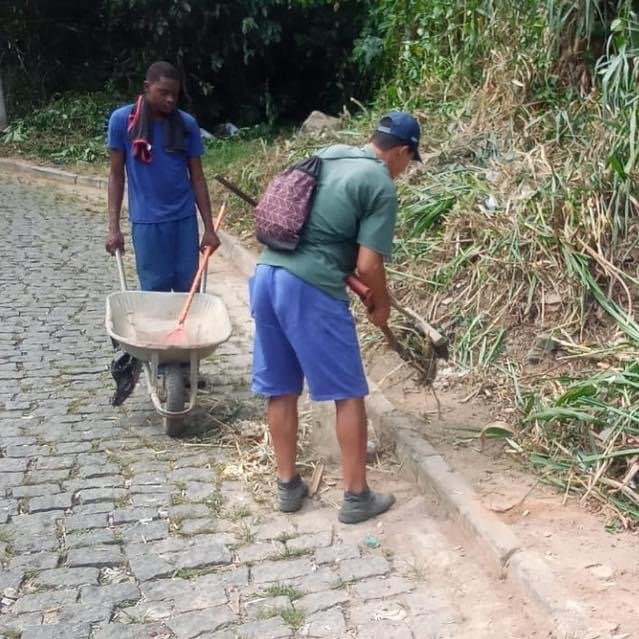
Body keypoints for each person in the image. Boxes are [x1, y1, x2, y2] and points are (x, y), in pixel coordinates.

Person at [250, 111, 421, 524]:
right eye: (408, 162)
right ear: (400, 151)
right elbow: (367, 265)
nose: (404, 171)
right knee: (348, 393)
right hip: (308, 289)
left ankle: (288, 485)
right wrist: (382, 306)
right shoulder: (379, 182)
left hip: (266, 276)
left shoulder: (329, 153)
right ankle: (356, 495)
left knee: (281, 387)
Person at [104, 61, 220, 406]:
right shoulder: (122, 122)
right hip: (147, 224)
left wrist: (209, 228)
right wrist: (113, 227)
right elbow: (116, 176)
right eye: (163, 93)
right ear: (146, 87)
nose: (170, 100)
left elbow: (197, 177)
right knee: (154, 299)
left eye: (175, 94)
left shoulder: (185, 125)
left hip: (183, 222)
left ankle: (185, 363)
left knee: (189, 297)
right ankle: (159, 362)